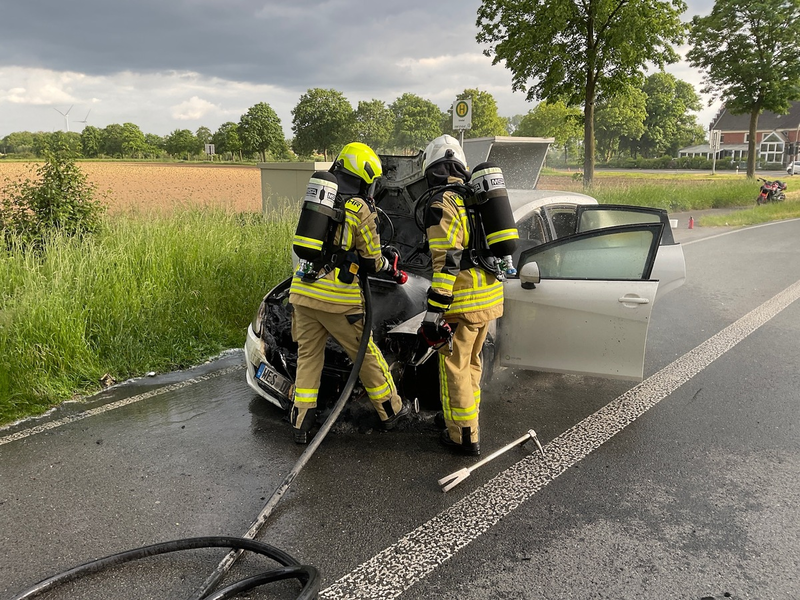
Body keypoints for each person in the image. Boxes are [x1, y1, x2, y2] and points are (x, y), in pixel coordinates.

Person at [288, 142, 408, 444]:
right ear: (364, 177)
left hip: (303, 293)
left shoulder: (320, 199)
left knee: (308, 358)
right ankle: (390, 411)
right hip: (339, 302)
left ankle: (301, 423)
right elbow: (372, 260)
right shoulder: (360, 209)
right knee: (366, 355)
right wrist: (387, 261)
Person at [418, 134, 509, 456]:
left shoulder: (442, 203)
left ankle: (463, 436)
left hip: (464, 299)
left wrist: (433, 311)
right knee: (472, 363)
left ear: (431, 168)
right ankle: (465, 420)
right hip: (489, 296)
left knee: (454, 367)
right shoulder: (475, 195)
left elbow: (447, 262)